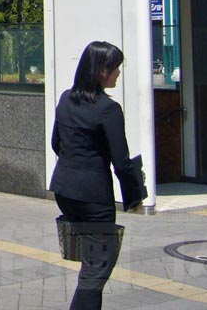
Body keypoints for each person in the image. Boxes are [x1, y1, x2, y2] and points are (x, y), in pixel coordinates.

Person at [50, 41, 144, 310]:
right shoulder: (108, 109)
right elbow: (122, 163)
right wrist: (134, 198)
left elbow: (56, 143)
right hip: (93, 198)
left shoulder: (66, 99)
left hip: (64, 192)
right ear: (102, 71)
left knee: (92, 262)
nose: (118, 73)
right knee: (97, 268)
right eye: (115, 68)